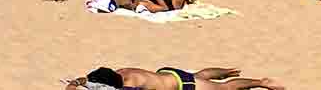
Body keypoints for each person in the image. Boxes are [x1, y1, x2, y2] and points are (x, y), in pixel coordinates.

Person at [71, 66, 284, 90]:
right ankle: (226, 69)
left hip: (184, 85)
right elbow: (84, 79)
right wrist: (77, 83)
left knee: (225, 89)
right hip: (168, 73)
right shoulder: (120, 72)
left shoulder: (132, 84)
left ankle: (260, 82)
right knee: (200, 75)